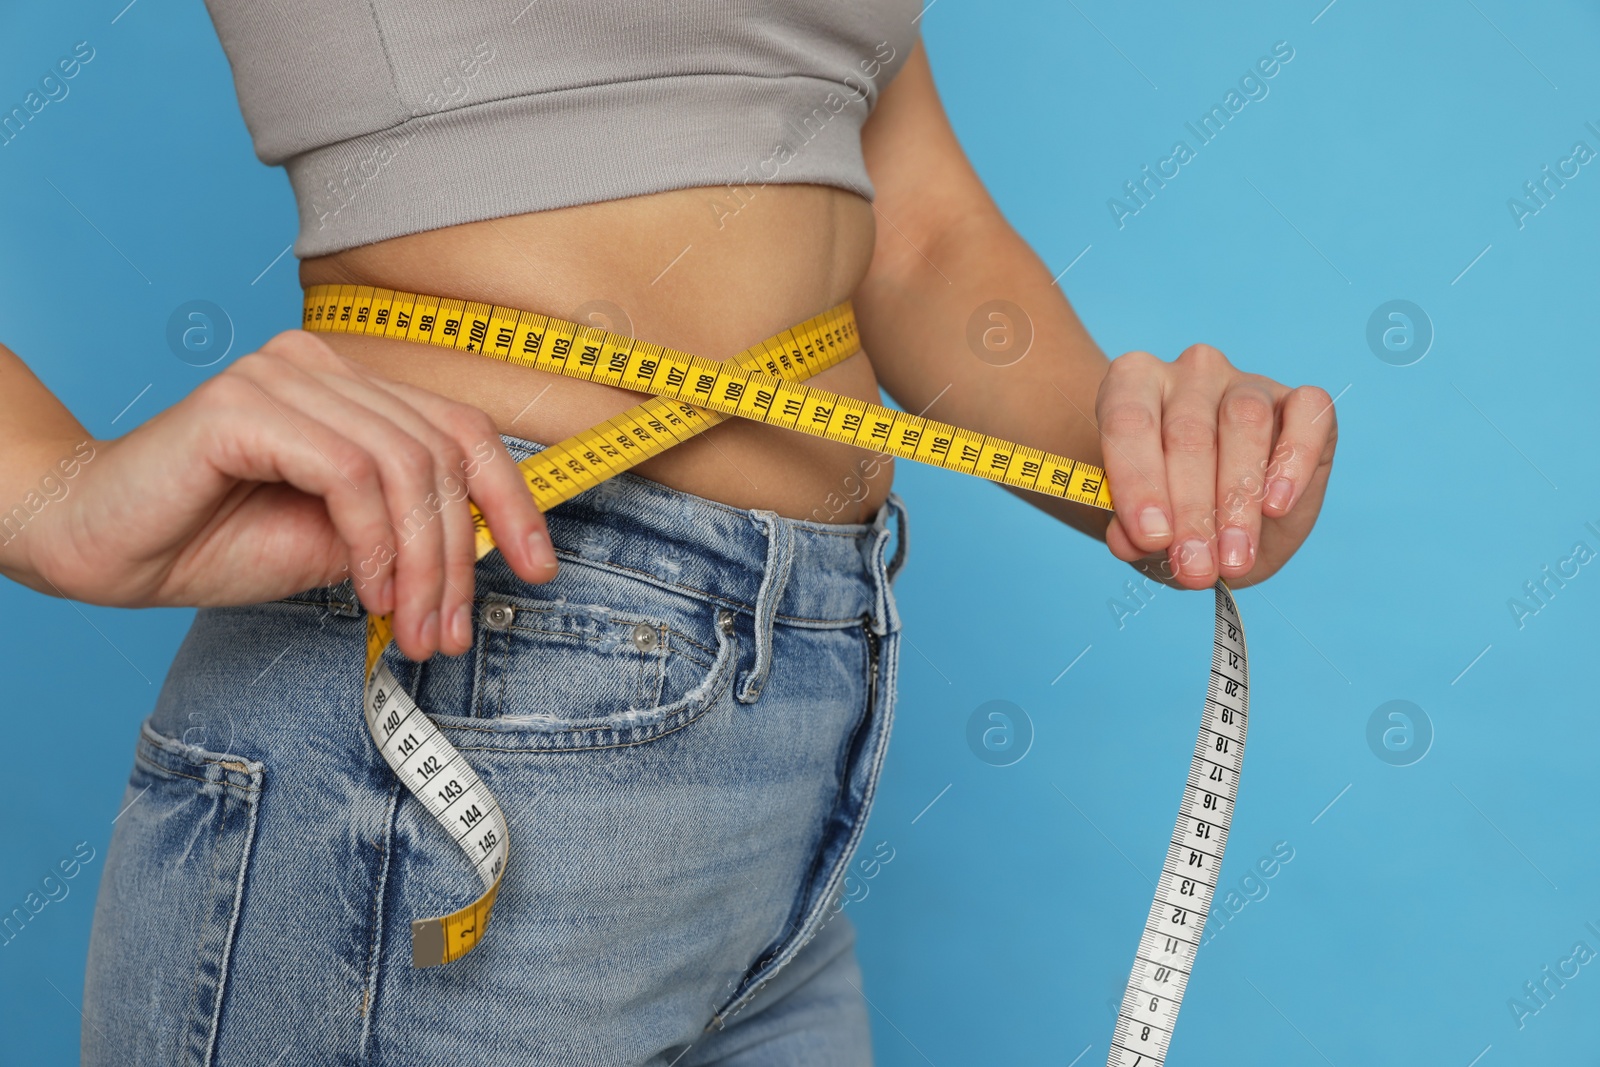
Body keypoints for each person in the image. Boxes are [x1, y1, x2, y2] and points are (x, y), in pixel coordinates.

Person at [0, 3, 1336, 1064]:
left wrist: (1173, 481)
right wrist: (51, 500)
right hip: (468, 673)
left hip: (801, 734)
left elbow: (913, 227)